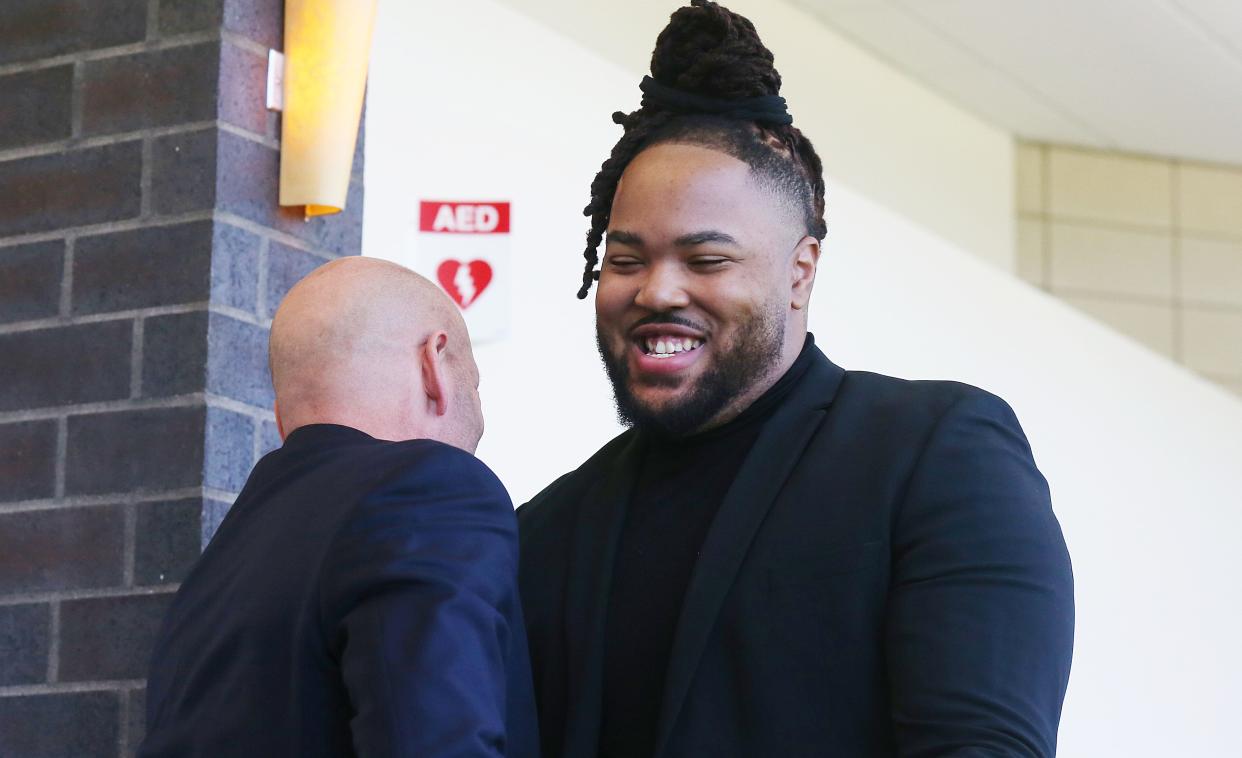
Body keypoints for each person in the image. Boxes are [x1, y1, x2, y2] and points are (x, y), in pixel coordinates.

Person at [516, 2, 1074, 757]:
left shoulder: (931, 456)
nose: (656, 291)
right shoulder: (544, 530)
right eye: (625, 260)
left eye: (706, 260)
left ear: (799, 272)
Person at [140, 257, 539, 758]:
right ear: (434, 365)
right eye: (474, 385)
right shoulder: (433, 489)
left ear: (282, 417)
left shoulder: (214, 573)